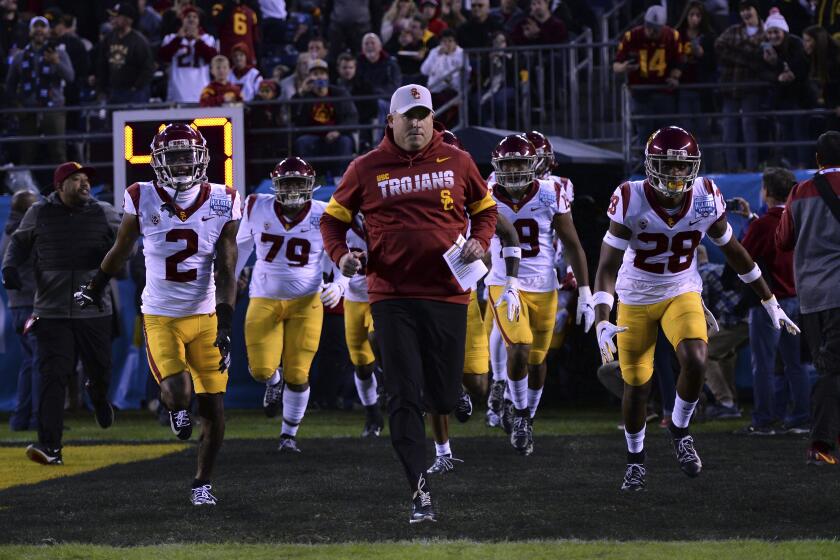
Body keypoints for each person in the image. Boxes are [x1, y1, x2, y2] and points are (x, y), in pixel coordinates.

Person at [320, 84, 498, 523]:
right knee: (403, 396)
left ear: (433, 119)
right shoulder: (366, 167)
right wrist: (341, 256)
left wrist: (480, 240)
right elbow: (331, 219)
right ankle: (419, 492)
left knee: (441, 398)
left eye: (424, 115)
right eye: (409, 116)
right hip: (391, 294)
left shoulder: (458, 160)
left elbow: (487, 210)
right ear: (391, 121)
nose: (417, 123)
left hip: (447, 292)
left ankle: (445, 394)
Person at [593, 125, 800, 491]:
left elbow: (737, 253)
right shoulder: (630, 197)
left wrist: (769, 299)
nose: (675, 174)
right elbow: (607, 265)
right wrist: (601, 319)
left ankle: (680, 429)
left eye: (681, 166)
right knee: (637, 385)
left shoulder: (706, 195)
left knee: (697, 357)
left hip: (681, 289)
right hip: (636, 296)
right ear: (651, 165)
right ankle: (636, 461)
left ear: (694, 166)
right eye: (666, 166)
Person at [75, 124, 240, 505]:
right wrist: (96, 285)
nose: (182, 163)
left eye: (188, 155)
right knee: (180, 392)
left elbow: (228, 268)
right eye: (175, 156)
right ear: (158, 161)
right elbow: (121, 250)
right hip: (161, 315)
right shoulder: (142, 196)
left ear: (202, 158)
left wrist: (226, 320)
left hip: (206, 316)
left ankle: (202, 483)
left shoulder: (224, 198)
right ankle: (174, 409)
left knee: (213, 405)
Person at [3, 162, 121, 466]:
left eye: (86, 180)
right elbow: (17, 242)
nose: (84, 184)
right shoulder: (38, 213)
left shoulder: (104, 211)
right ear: (59, 187)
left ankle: (98, 397)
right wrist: (9, 268)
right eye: (76, 180)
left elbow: (127, 243)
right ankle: (50, 447)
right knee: (51, 376)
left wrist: (118, 255)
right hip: (51, 311)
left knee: (100, 370)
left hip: (93, 309)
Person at [485, 134, 592, 455]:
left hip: (545, 287)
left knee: (537, 361)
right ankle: (516, 410)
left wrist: (586, 289)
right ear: (497, 168)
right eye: (508, 164)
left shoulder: (550, 192)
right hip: (504, 284)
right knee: (518, 347)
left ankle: (526, 417)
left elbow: (571, 242)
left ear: (535, 165)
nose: (515, 171)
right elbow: (473, 240)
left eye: (521, 163)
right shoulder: (486, 194)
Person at [426, 126, 522, 474]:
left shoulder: (471, 194)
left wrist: (509, 280)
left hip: (462, 297)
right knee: (433, 381)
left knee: (479, 382)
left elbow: (507, 232)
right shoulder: (409, 194)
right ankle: (442, 452)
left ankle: (454, 388)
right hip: (420, 297)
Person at [234, 157, 346, 450]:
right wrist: (229, 280)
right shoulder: (256, 206)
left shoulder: (324, 213)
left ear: (310, 186)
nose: (294, 189)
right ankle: (273, 382)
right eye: (288, 183)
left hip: (306, 301)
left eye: (299, 183)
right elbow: (242, 247)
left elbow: (342, 256)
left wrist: (339, 285)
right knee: (260, 370)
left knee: (299, 374)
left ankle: (288, 435)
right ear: (276, 185)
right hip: (264, 297)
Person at [777, 131, 840, 465]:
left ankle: (826, 438)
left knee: (826, 367)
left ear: (817, 159)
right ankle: (822, 444)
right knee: (832, 370)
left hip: (812, 296)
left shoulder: (799, 192)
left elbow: (783, 240)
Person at [731, 167, 809, 434]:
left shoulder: (762, 225)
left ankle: (764, 420)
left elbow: (742, 256)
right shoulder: (799, 219)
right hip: (798, 300)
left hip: (770, 304)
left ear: (766, 192)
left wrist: (749, 223)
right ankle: (801, 417)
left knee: (762, 365)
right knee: (795, 364)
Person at [5, 16, 75, 168]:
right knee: (27, 153)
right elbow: (9, 85)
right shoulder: (20, 56)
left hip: (53, 109)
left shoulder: (59, 53)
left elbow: (70, 77)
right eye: (35, 27)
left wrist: (56, 62)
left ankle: (64, 190)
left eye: (42, 27)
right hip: (28, 110)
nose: (39, 30)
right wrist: (18, 106)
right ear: (30, 31)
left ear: (48, 31)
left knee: (58, 153)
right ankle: (26, 190)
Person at [340, 212, 386, 437]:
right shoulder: (338, 223)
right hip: (355, 297)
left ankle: (390, 381)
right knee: (361, 364)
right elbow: (326, 255)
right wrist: (335, 284)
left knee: (380, 338)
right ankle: (373, 412)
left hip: (386, 293)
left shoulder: (394, 217)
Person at [1, 190, 40, 431]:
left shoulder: (8, 233)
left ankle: (20, 417)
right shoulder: (24, 234)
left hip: (18, 305)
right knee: (39, 360)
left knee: (30, 361)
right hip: (31, 304)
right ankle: (39, 417)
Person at [613, 5, 683, 142]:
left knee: (665, 135)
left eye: (655, 29)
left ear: (662, 28)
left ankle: (661, 163)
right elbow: (615, 65)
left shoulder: (672, 36)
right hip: (641, 93)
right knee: (644, 133)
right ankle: (645, 163)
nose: (651, 31)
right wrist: (624, 67)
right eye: (648, 26)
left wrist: (675, 77)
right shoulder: (632, 36)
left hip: (664, 92)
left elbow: (679, 62)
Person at [714, 0, 766, 172]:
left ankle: (752, 168)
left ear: (756, 9)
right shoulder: (733, 30)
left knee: (749, 128)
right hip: (730, 87)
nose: (745, 13)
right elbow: (719, 47)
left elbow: (761, 61)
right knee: (729, 129)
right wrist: (747, 57)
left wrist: (736, 53)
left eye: (748, 9)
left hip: (751, 89)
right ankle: (732, 168)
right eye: (742, 10)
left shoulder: (766, 32)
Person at [291, 58, 358, 177]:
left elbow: (352, 117)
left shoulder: (339, 93)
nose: (319, 77)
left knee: (345, 142)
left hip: (336, 135)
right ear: (309, 77)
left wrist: (338, 131)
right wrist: (301, 93)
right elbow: (294, 116)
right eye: (315, 74)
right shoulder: (305, 95)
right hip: (313, 136)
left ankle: (340, 179)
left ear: (327, 76)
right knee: (302, 142)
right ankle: (312, 179)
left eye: (322, 73)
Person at [96, 3, 155, 104]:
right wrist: (102, 88)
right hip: (113, 91)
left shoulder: (139, 41)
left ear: (128, 20)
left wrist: (136, 87)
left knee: (132, 119)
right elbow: (103, 64)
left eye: (117, 17)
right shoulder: (109, 38)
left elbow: (148, 68)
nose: (112, 20)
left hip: (133, 94)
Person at [158, 5, 217, 103]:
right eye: (188, 16)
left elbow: (212, 59)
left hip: (201, 87)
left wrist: (198, 41)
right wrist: (178, 39)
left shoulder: (207, 39)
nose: (191, 19)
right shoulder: (171, 38)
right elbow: (163, 57)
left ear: (199, 20)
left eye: (195, 17)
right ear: (182, 19)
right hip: (178, 89)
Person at [420, 28, 469, 127]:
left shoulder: (461, 54)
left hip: (453, 90)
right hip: (433, 89)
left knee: (439, 103)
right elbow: (424, 70)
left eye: (450, 41)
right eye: (444, 41)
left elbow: (462, 75)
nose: (447, 44)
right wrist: (439, 56)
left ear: (455, 42)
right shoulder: (435, 51)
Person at [212, 0, 259, 65]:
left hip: (247, 55)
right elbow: (216, 23)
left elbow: (256, 38)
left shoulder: (251, 12)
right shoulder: (219, 8)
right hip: (228, 53)